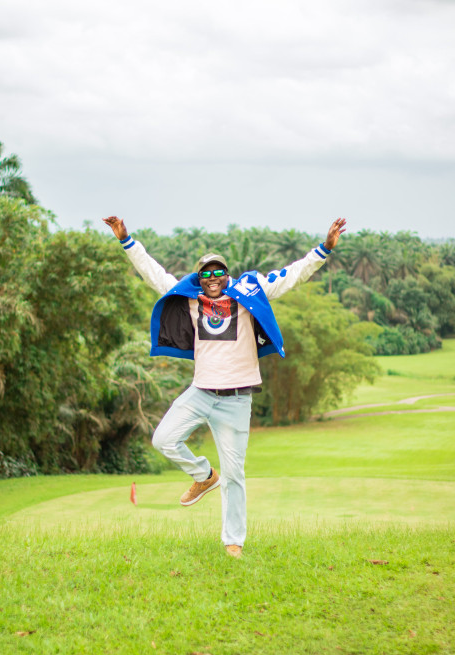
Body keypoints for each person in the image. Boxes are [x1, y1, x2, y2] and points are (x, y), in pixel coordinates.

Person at [102, 215, 346, 557]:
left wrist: (323, 250)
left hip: (236, 399)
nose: (213, 278)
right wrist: (127, 241)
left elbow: (292, 275)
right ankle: (203, 474)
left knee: (235, 474)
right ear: (199, 278)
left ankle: (233, 541)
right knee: (163, 439)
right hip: (201, 392)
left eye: (219, 272)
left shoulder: (250, 291)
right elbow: (154, 273)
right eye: (207, 273)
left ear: (226, 275)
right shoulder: (191, 300)